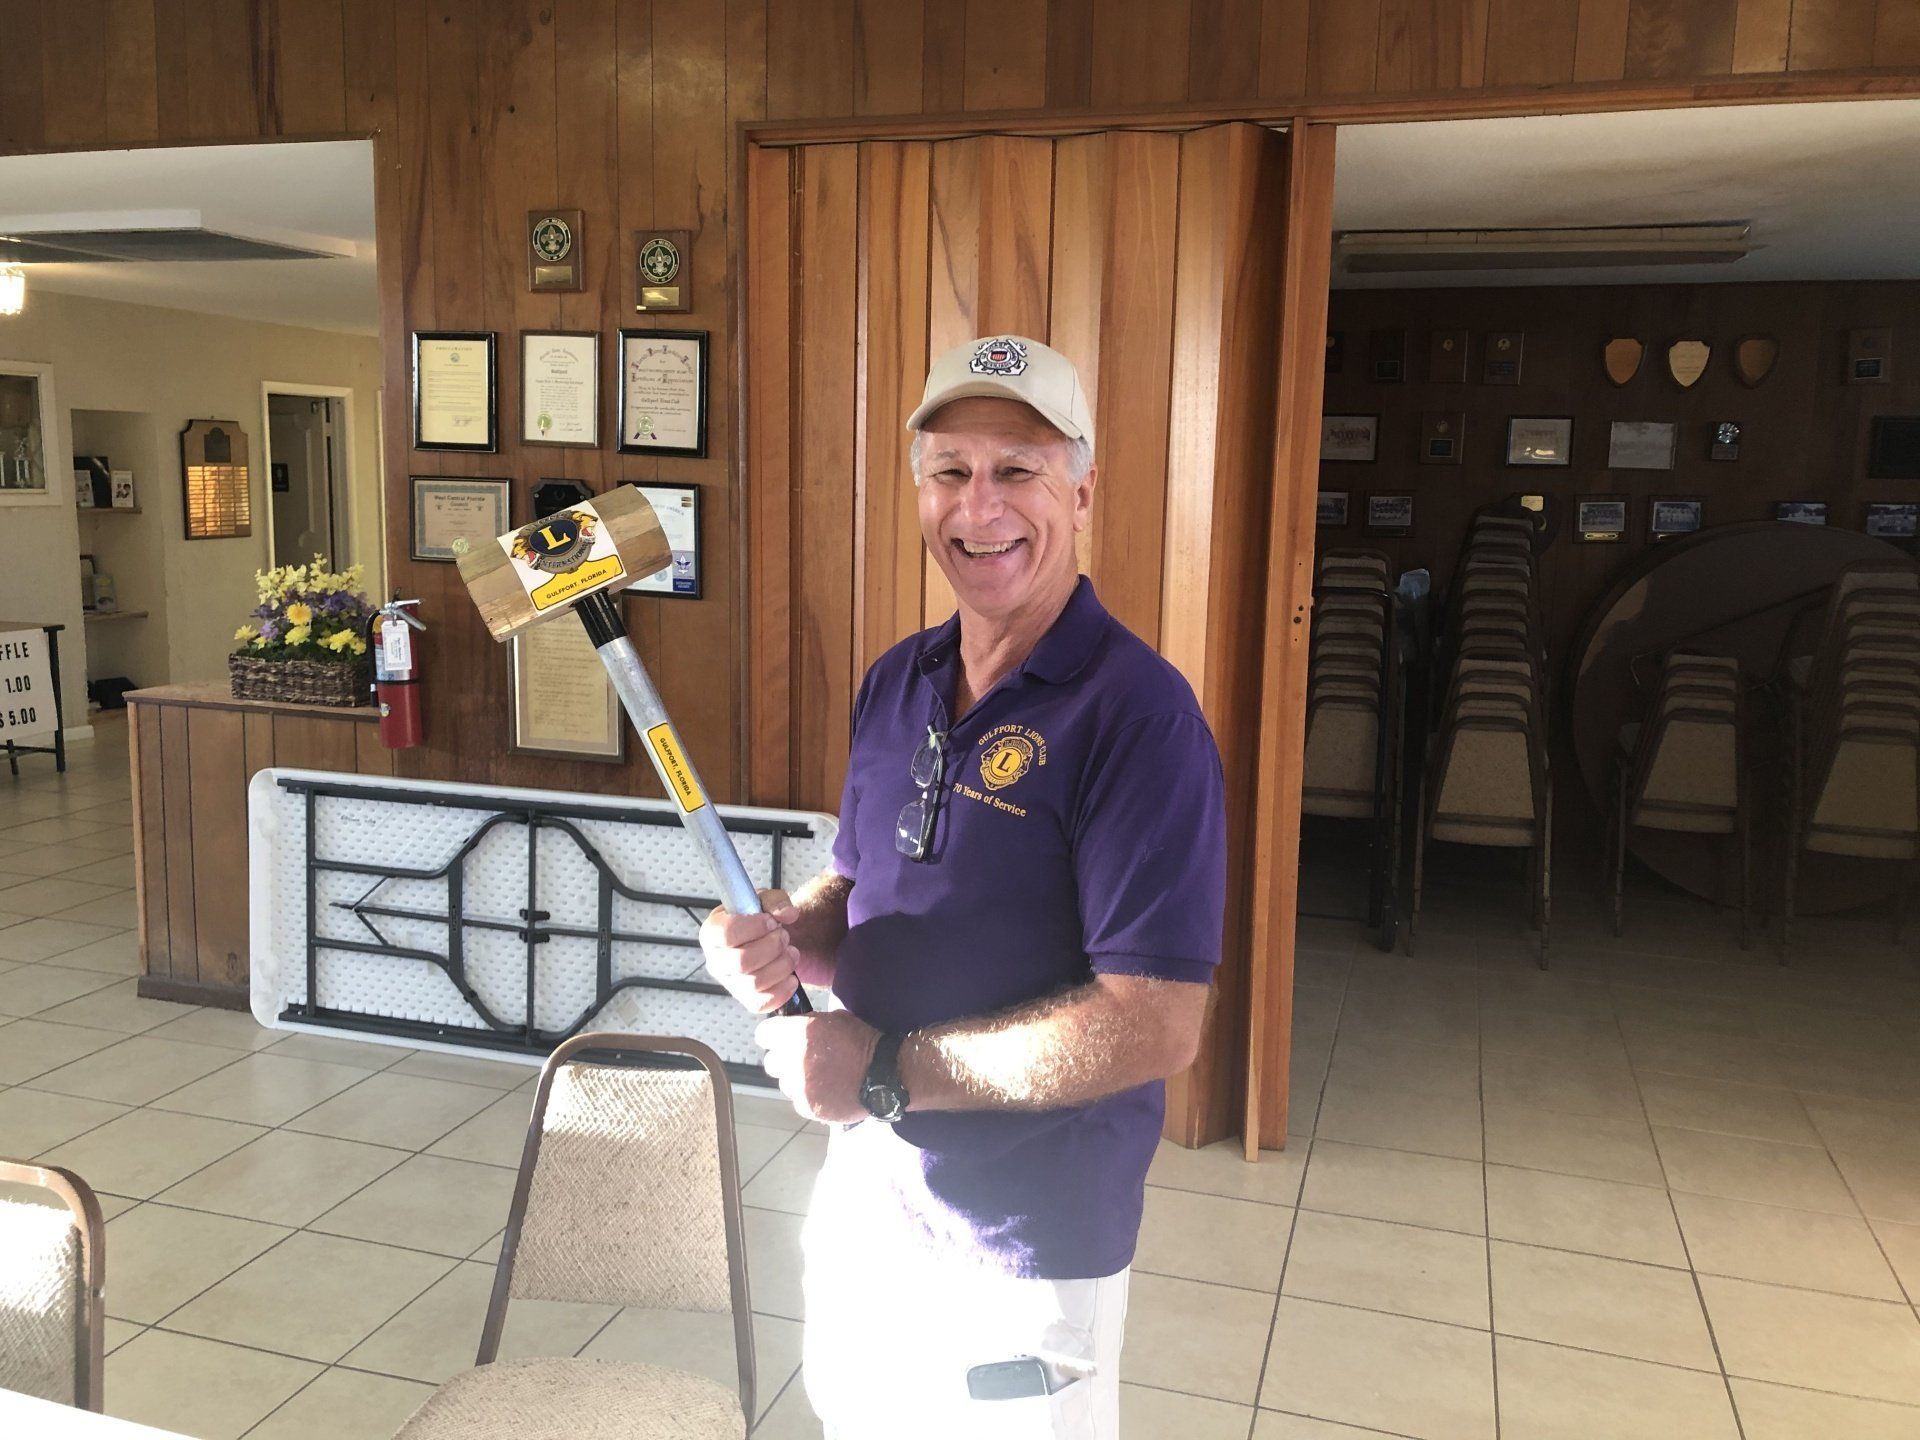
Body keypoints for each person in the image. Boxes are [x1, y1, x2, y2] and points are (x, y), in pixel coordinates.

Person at [700, 334, 1226, 1439]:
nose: (978, 507)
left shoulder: (1141, 716)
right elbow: (864, 880)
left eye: (1016, 471)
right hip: (869, 1200)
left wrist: (883, 1070)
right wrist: (790, 930)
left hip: (1024, 1244)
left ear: (1081, 489)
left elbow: (1157, 1024)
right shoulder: (901, 677)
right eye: (950, 471)